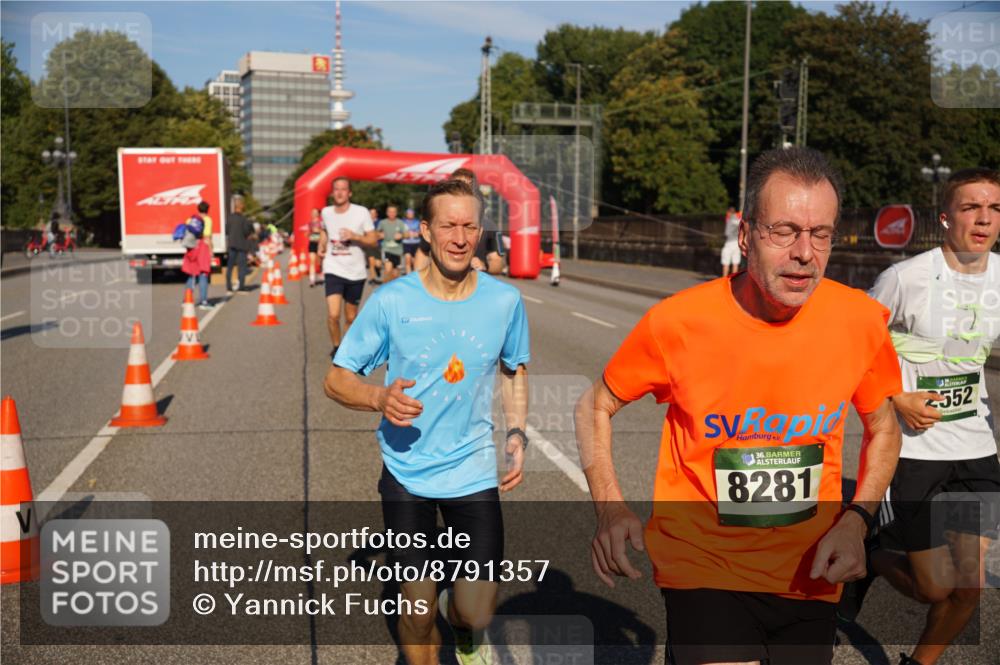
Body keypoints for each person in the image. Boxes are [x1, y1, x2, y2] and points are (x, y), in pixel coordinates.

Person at [574, 147, 903, 665]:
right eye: (785, 230)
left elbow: (884, 427)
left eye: (821, 234)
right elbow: (594, 406)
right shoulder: (677, 322)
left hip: (812, 571)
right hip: (703, 564)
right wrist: (610, 507)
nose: (804, 252)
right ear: (747, 234)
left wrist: (856, 520)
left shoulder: (859, 320)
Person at [324, 178, 530, 665]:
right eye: (448, 226)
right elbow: (336, 379)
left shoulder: (505, 302)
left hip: (473, 470)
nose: (459, 237)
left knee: (476, 612)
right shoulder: (393, 301)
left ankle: (460, 623)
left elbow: (514, 370)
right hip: (406, 471)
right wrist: (378, 399)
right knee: (416, 613)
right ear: (425, 231)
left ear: (480, 231)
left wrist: (517, 432)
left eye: (469, 226)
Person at [848, 168, 1000, 665]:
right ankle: (869, 557)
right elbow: (855, 349)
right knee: (933, 587)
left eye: (994, 208)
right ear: (944, 218)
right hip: (914, 452)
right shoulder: (904, 278)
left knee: (969, 586)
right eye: (970, 207)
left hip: (975, 449)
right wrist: (895, 397)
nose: (983, 218)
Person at [317, 177, 379, 360]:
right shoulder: (326, 212)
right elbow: (324, 231)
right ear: (332, 192)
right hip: (333, 268)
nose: (340, 192)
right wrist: (322, 244)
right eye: (336, 189)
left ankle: (347, 346)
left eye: (343, 189)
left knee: (351, 317)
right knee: (333, 315)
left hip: (356, 271)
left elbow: (373, 240)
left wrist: (355, 236)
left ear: (349, 193)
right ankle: (337, 348)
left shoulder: (361, 212)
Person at [451, 168, 503, 275]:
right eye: (457, 187)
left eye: (468, 188)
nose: (463, 192)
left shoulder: (489, 226)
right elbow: (422, 254)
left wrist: (484, 265)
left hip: (475, 287)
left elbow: (498, 261)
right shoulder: (437, 222)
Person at [181, 212, 212, 309]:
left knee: (191, 276)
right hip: (201, 251)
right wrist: (211, 249)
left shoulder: (190, 221)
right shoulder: (207, 220)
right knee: (203, 275)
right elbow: (206, 236)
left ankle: (187, 300)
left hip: (191, 251)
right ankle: (203, 301)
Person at [226, 195, 254, 294]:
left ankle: (229, 286)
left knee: (230, 266)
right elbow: (247, 232)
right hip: (241, 246)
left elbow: (227, 230)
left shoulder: (229, 218)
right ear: (241, 206)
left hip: (232, 244)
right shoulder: (244, 219)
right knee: (241, 267)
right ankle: (241, 286)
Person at [378, 205, 406, 283]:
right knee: (388, 270)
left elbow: (407, 234)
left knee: (395, 275)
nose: (392, 213)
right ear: (387, 213)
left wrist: (402, 235)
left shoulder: (400, 222)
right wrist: (379, 235)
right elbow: (376, 233)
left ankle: (392, 290)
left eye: (393, 212)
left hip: (398, 251)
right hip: (386, 249)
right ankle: (384, 290)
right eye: (390, 211)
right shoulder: (382, 222)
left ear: (396, 213)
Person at [722, 205, 742, 276]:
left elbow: (726, 233)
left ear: (729, 212)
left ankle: (724, 279)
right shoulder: (739, 220)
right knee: (735, 263)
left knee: (726, 263)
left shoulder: (730, 219)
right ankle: (734, 280)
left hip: (729, 243)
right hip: (737, 243)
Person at [365, 207, 383, 284]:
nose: (372, 215)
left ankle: (377, 270)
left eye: (373, 213)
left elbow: (382, 234)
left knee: (378, 264)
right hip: (368, 245)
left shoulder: (380, 222)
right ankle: (373, 279)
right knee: (371, 262)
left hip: (378, 245)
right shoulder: (365, 222)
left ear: (376, 214)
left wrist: (377, 235)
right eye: (370, 213)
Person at [402, 207, 421, 273]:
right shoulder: (402, 222)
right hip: (406, 243)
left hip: (416, 243)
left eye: (411, 213)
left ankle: (415, 276)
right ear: (406, 214)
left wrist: (418, 233)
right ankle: (409, 278)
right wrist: (404, 234)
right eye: (409, 213)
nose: (410, 215)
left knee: (414, 261)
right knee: (407, 260)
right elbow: (399, 232)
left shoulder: (417, 222)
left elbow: (422, 232)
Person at [308, 208, 323, 288]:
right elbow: (309, 233)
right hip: (312, 243)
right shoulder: (310, 223)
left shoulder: (321, 222)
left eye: (315, 212)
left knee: (319, 261)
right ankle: (312, 279)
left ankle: (321, 273)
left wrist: (319, 238)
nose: (313, 214)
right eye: (312, 212)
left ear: (318, 214)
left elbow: (322, 233)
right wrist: (309, 235)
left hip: (320, 242)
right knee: (312, 261)